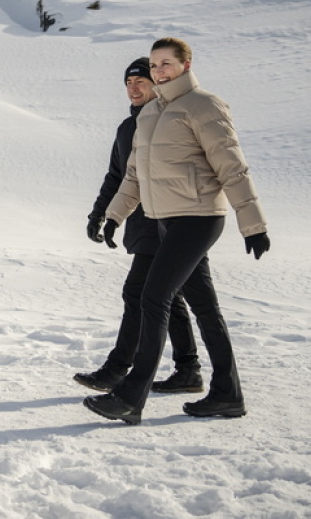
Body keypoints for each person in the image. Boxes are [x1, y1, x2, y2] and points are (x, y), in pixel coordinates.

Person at [84, 37, 271, 425]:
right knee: (204, 307)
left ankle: (131, 397)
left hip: (199, 218)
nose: (158, 72)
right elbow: (134, 175)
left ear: (186, 65)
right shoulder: (151, 113)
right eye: (154, 65)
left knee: (154, 297)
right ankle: (227, 394)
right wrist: (114, 216)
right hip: (165, 219)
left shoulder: (204, 105)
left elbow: (231, 166)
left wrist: (252, 224)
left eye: (166, 64)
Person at [74, 57, 203, 394]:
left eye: (140, 82)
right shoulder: (126, 128)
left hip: (167, 219)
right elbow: (117, 175)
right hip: (142, 221)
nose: (133, 88)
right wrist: (99, 213)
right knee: (168, 298)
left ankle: (118, 369)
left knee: (138, 292)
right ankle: (188, 370)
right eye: (129, 83)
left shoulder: (166, 121)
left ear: (157, 84)